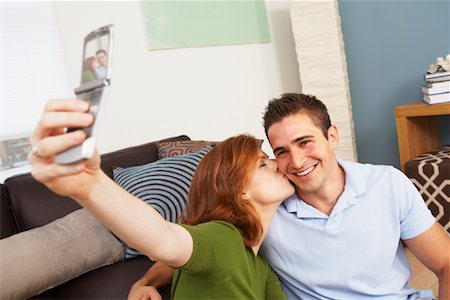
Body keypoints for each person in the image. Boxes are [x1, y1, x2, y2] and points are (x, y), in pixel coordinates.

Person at [129, 93, 449, 300]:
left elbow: (446, 263)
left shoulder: (387, 184)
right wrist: (146, 282)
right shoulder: (266, 209)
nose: (295, 162)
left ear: (332, 136)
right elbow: (192, 248)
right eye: (281, 152)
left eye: (305, 142)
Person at [27, 99, 295, 299]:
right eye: (262, 164)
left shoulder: (260, 266)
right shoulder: (224, 238)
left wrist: (148, 281)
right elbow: (165, 240)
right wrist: (90, 184)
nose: (276, 165)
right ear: (240, 191)